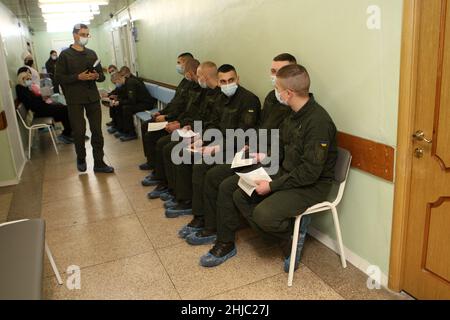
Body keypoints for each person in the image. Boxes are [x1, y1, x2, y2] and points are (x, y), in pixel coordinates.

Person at [199, 64, 338, 269]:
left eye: (279, 90)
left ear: (289, 93)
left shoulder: (318, 122)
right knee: (237, 192)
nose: (277, 94)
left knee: (263, 214)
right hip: (287, 171)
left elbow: (309, 172)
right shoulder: (293, 114)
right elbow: (283, 146)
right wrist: (264, 156)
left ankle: (290, 236)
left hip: (312, 184)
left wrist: (271, 186)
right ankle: (283, 238)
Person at [180, 53, 297, 243]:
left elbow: (286, 146)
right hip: (252, 152)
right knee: (209, 172)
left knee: (226, 185)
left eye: (282, 72)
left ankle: (225, 242)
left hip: (271, 162)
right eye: (274, 71)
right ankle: (208, 224)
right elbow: (261, 128)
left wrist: (261, 153)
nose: (276, 76)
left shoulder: (292, 106)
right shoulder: (271, 98)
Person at [164, 64, 261, 217]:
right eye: (223, 81)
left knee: (202, 167)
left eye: (231, 80)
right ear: (219, 81)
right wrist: (200, 139)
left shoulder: (249, 100)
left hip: (235, 148)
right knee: (183, 153)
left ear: (238, 79)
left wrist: (215, 148)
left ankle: (202, 216)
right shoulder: (221, 98)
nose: (227, 84)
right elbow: (213, 123)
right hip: (217, 140)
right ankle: (187, 201)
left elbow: (243, 135)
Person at [55, 23, 113, 173]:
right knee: (79, 131)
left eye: (87, 34)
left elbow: (101, 76)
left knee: (97, 132)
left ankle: (99, 162)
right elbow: (59, 78)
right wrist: (77, 77)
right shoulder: (65, 55)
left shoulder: (92, 53)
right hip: (75, 99)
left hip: (92, 97)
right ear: (74, 35)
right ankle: (81, 158)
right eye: (83, 34)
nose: (85, 37)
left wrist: (96, 76)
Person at [138, 52, 194, 171]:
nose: (177, 65)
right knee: (145, 126)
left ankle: (156, 168)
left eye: (179, 63)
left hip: (176, 119)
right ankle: (151, 161)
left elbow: (183, 108)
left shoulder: (194, 86)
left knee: (153, 136)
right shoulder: (184, 81)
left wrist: (167, 117)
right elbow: (174, 102)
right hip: (170, 115)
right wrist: (162, 112)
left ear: (187, 63)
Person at [16, 71, 72, 143]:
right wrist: (41, 98)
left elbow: (33, 100)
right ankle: (67, 133)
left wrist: (42, 97)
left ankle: (68, 132)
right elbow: (31, 104)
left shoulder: (25, 88)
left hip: (40, 107)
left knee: (61, 106)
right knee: (63, 109)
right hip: (38, 111)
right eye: (27, 79)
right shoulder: (20, 89)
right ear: (22, 79)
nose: (30, 81)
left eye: (30, 79)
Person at [109, 71, 156, 141]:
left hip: (146, 104)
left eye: (115, 82)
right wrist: (118, 100)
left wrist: (119, 102)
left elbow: (131, 100)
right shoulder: (126, 83)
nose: (116, 84)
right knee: (120, 106)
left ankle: (131, 133)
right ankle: (123, 130)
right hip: (139, 102)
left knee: (126, 108)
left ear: (119, 79)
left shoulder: (131, 83)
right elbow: (126, 97)